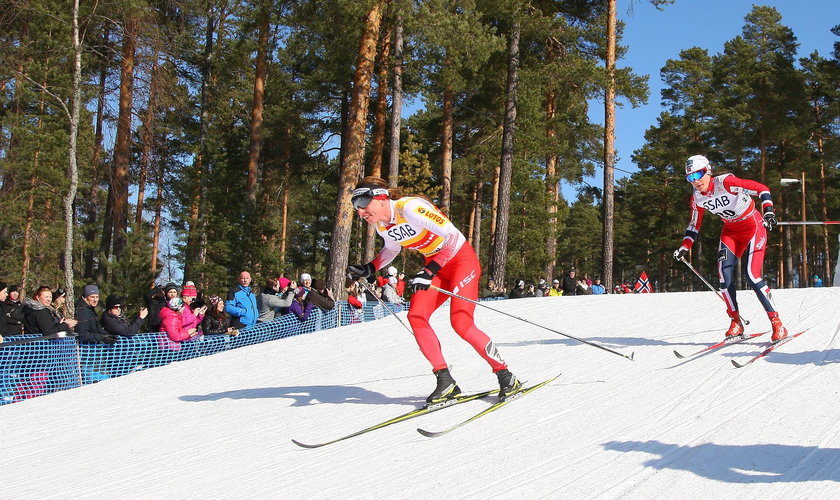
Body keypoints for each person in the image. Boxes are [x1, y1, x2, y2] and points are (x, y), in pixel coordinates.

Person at [346, 176, 521, 404]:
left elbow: (452, 236)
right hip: (437, 267)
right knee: (416, 315)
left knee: (461, 324)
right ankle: (445, 381)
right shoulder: (382, 225)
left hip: (461, 261)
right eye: (355, 207)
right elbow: (392, 248)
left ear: (380, 198)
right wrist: (370, 267)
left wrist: (429, 271)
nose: (359, 212)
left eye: (362, 205)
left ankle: (506, 376)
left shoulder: (410, 208)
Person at [673, 154, 788, 341]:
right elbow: (694, 225)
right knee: (723, 276)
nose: (695, 181)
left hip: (753, 226)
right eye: (690, 178)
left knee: (752, 275)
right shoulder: (696, 198)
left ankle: (777, 323)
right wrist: (685, 246)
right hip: (731, 232)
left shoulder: (725, 182)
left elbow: (762, 189)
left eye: (698, 174)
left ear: (708, 171)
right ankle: (736, 322)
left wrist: (768, 211)